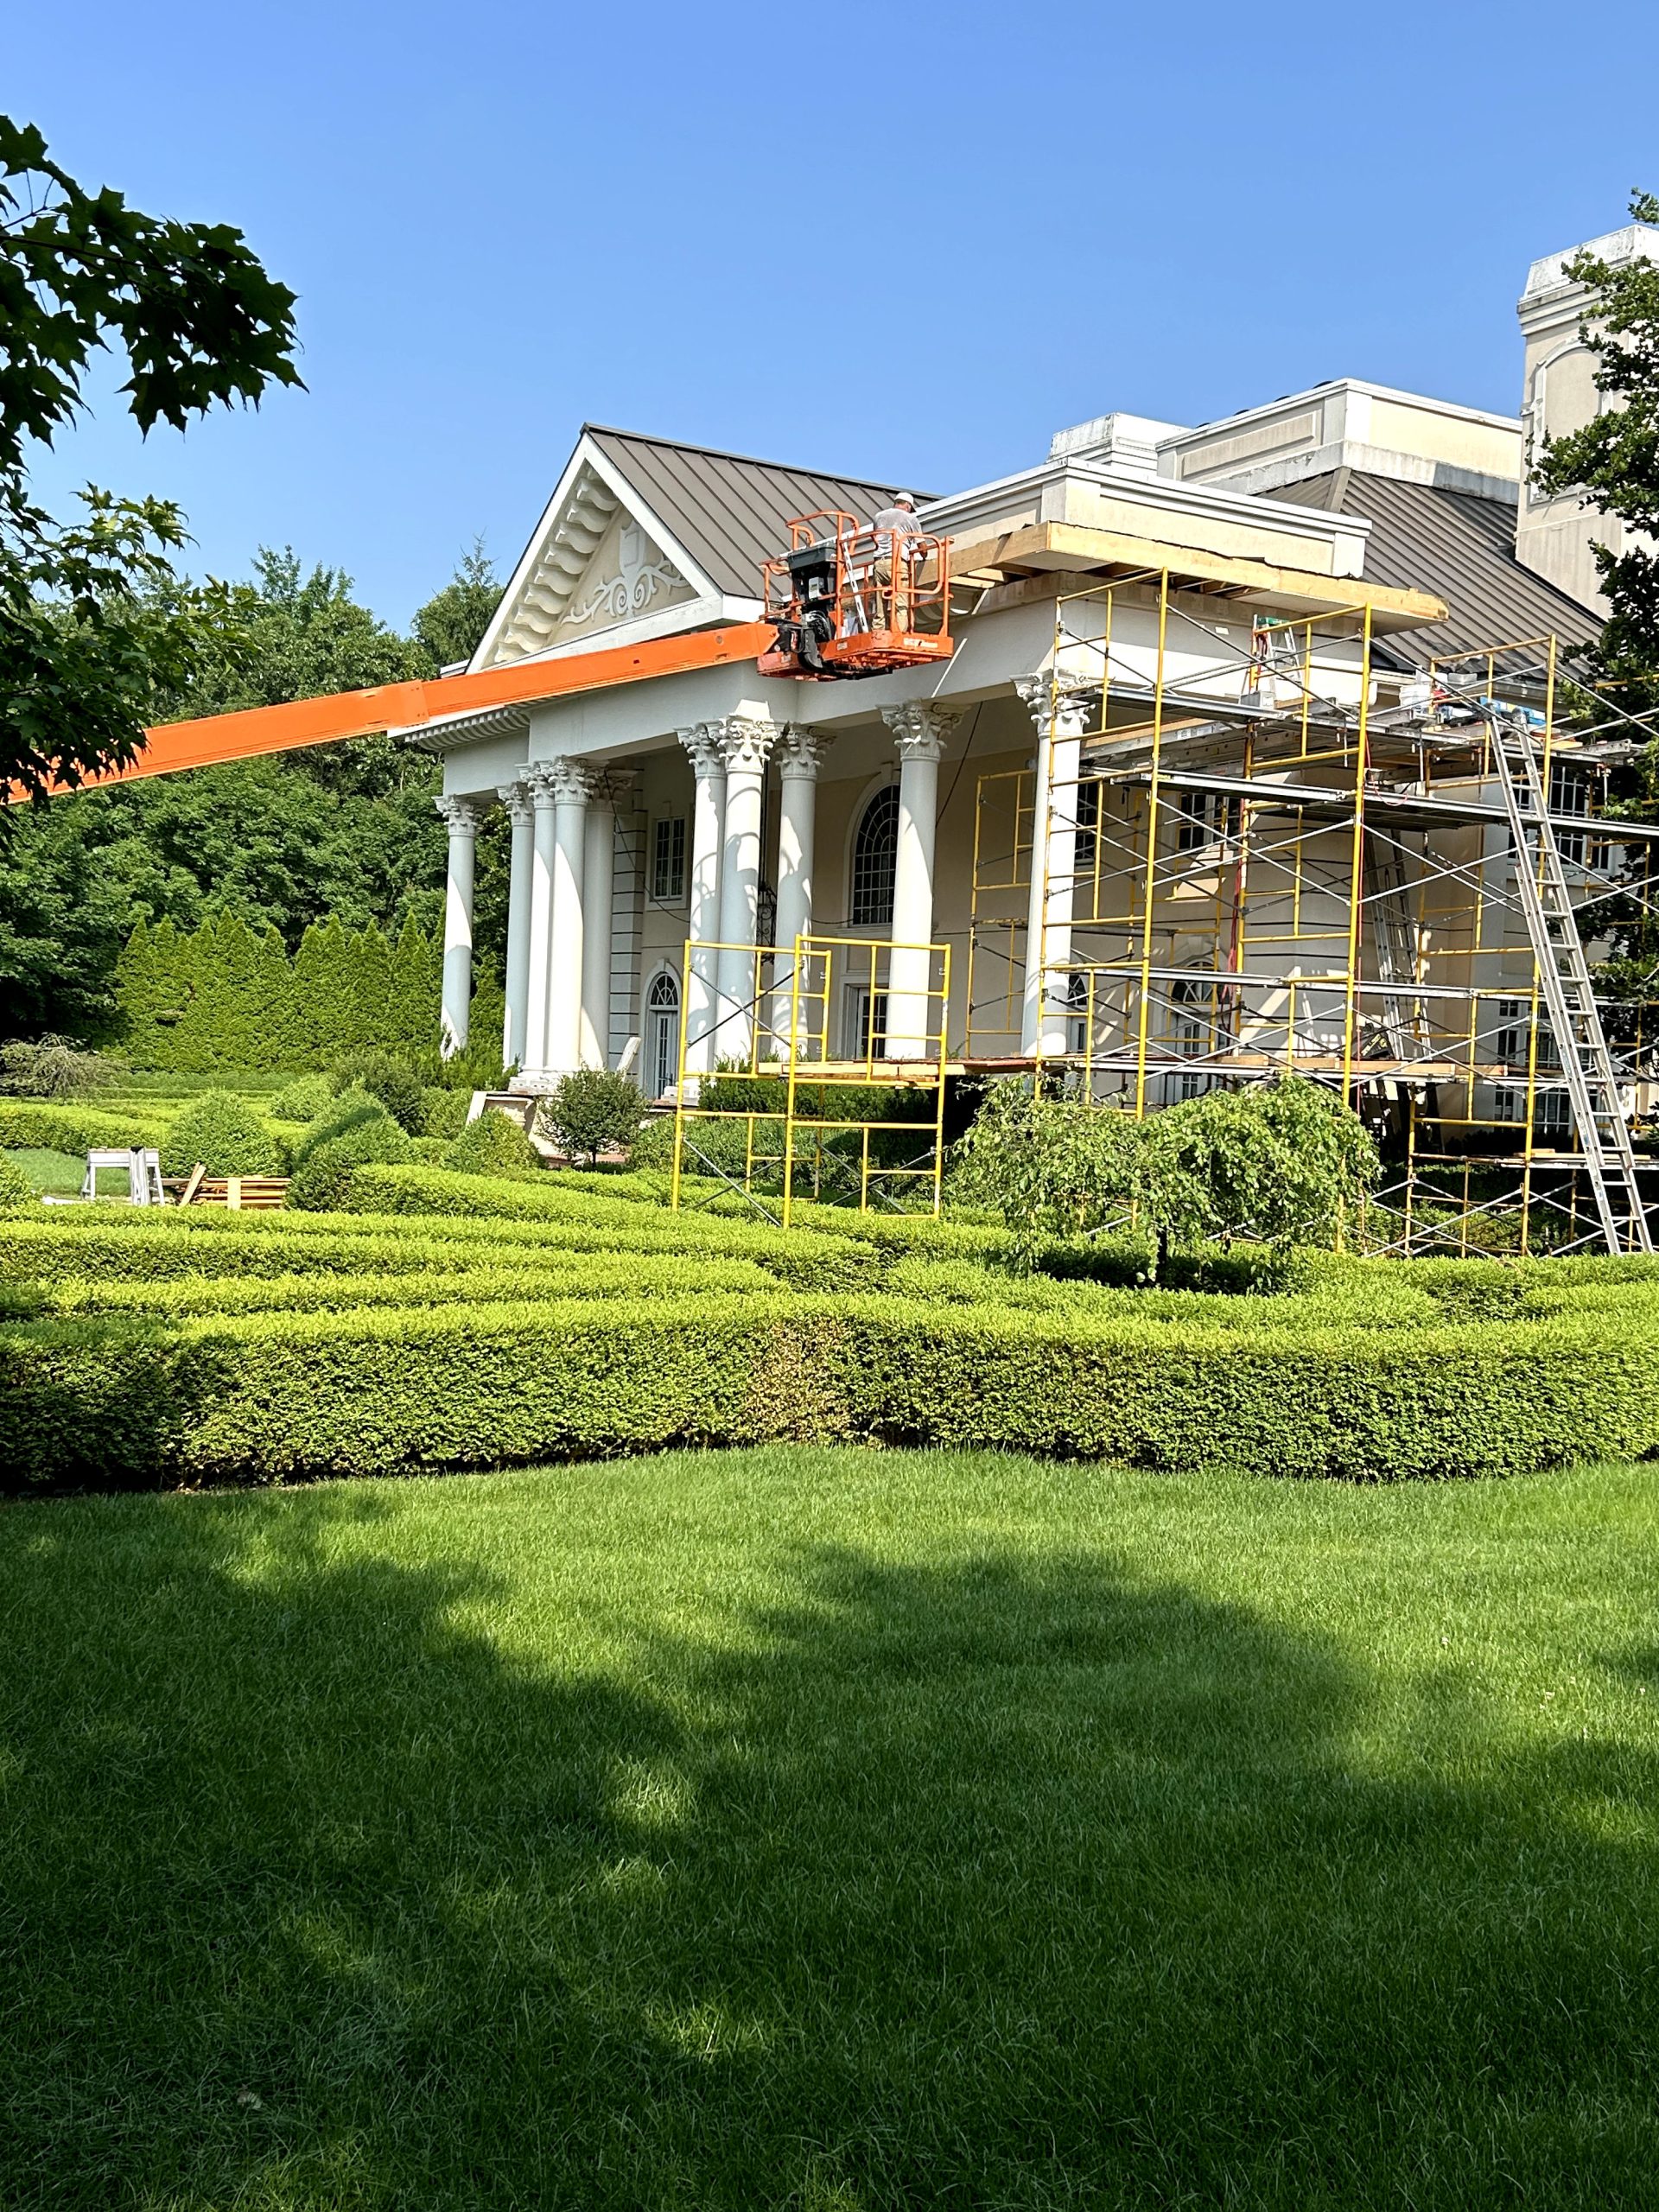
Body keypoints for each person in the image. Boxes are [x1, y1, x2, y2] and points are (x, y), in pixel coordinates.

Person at [865, 493, 929, 632]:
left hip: (878, 563)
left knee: (880, 602)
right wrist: (925, 556)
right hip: (897, 562)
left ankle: (878, 630)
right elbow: (922, 546)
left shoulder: (879, 516)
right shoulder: (910, 518)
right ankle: (900, 632)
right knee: (901, 602)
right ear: (908, 506)